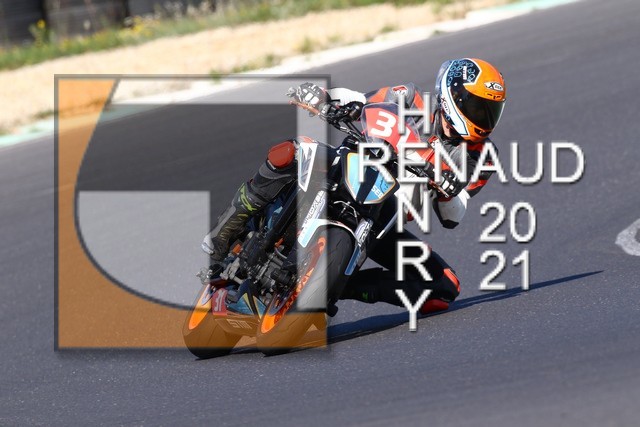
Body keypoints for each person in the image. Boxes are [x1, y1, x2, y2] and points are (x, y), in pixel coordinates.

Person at [202, 58, 507, 314]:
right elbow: (362, 100)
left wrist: (448, 190)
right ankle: (227, 229)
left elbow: (454, 216)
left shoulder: (482, 157)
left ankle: (335, 284)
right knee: (293, 152)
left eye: (491, 110)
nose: (485, 118)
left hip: (384, 217)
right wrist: (323, 96)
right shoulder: (411, 98)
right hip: (352, 164)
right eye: (478, 106)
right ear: (453, 96)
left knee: (443, 287)